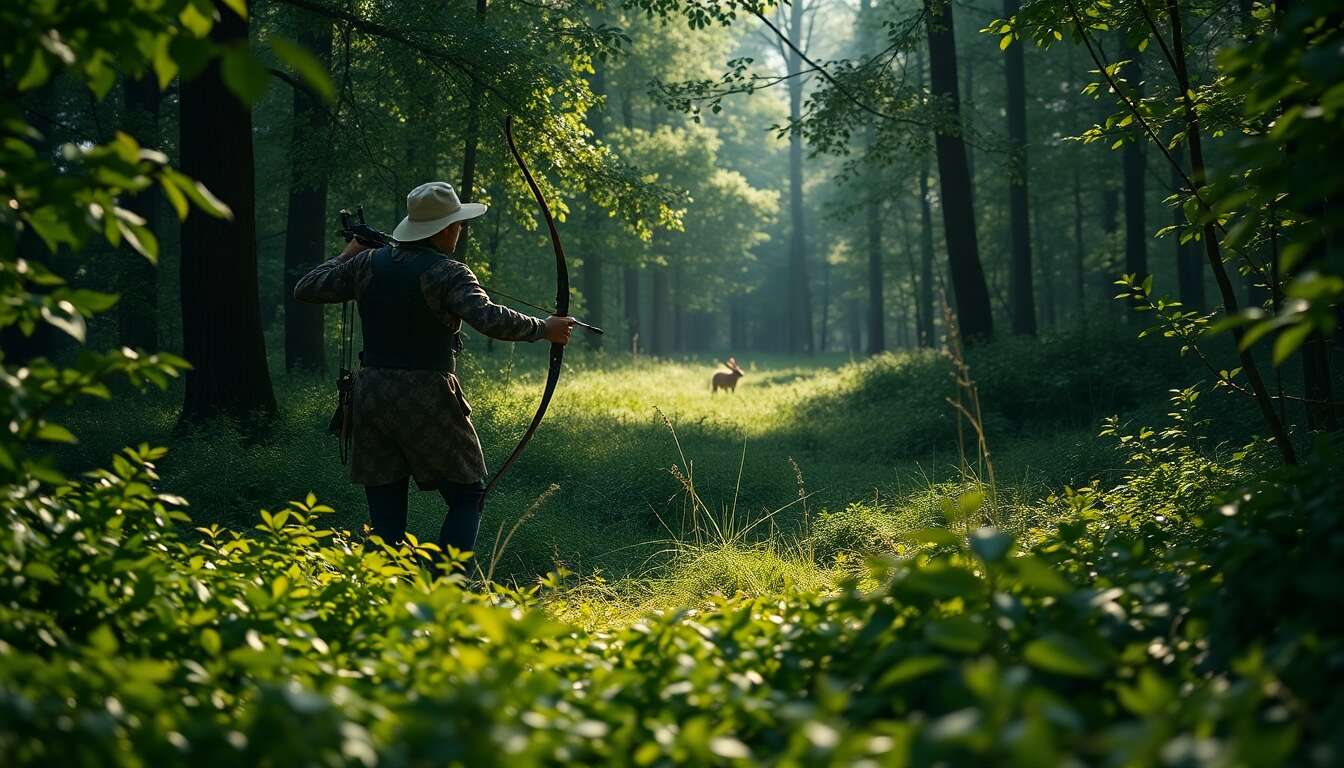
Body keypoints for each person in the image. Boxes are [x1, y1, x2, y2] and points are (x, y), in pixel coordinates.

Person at [294, 181, 575, 566]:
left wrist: (347, 254)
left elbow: (307, 287)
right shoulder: (448, 272)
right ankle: (446, 592)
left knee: (386, 509)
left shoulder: (364, 264)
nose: (459, 231)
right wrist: (544, 329)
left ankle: (384, 596)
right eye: (457, 224)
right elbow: (489, 318)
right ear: (444, 229)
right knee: (468, 495)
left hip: (371, 395)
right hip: (428, 394)